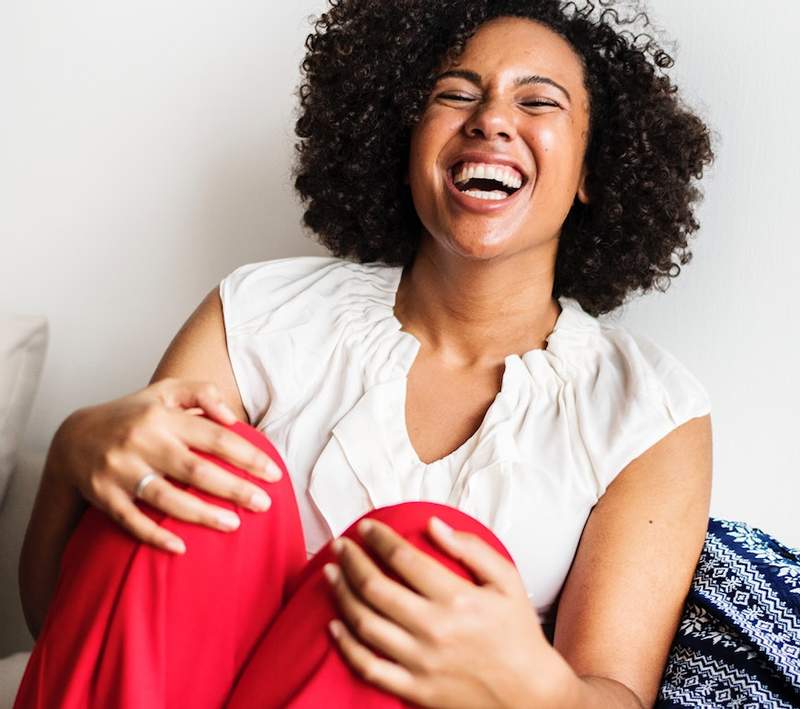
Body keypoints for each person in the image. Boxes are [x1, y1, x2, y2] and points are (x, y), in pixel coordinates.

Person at [15, 1, 718, 707]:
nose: (491, 119)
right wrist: (73, 452)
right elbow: (83, 628)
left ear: (593, 169)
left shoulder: (649, 409)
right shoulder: (259, 313)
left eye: (537, 101)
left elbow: (615, 690)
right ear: (407, 140)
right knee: (199, 466)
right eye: (455, 94)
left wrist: (530, 682)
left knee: (426, 556)